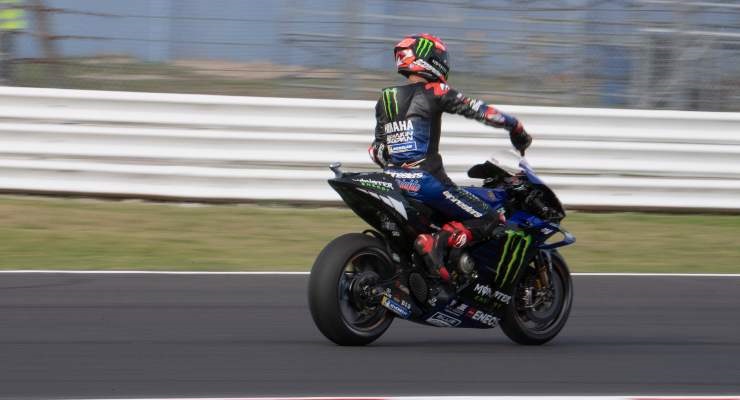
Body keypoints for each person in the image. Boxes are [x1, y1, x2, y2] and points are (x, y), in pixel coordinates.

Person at [368, 33, 532, 281]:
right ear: (430, 58)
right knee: (492, 218)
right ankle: (440, 242)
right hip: (427, 183)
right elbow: (479, 110)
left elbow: (377, 151)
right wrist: (515, 127)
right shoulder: (436, 90)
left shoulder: (386, 98)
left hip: (393, 180)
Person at [0, 0, 26, 84]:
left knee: (6, 55)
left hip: (8, 29)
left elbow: (18, 11)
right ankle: (5, 77)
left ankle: (5, 77)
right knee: (6, 55)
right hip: (8, 29)